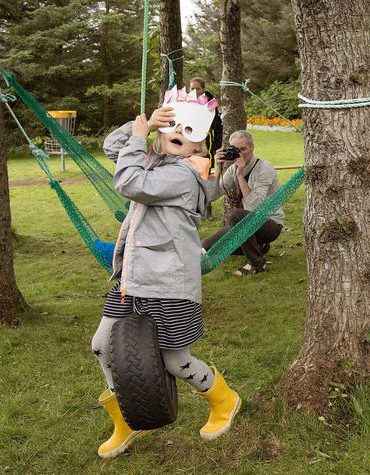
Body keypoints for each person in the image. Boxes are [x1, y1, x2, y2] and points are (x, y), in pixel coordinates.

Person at [91, 87, 240, 459]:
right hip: (132, 279)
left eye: (190, 132)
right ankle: (127, 417)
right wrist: (141, 126)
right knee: (101, 346)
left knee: (176, 360)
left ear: (200, 147)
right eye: (172, 124)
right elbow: (114, 147)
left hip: (170, 284)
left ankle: (224, 400)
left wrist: (142, 140)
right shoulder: (155, 160)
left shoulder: (183, 177)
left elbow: (129, 182)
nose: (179, 132)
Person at [201, 130, 283, 276]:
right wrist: (218, 170)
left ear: (252, 147)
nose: (239, 153)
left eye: (243, 149)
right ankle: (259, 246)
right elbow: (212, 196)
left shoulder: (264, 168)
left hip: (270, 223)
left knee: (234, 215)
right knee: (205, 247)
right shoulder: (232, 168)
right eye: (235, 149)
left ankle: (256, 263)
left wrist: (240, 176)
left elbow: (255, 207)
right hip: (246, 224)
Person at [190, 76, 224, 220]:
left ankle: (207, 205)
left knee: (206, 174)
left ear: (203, 89)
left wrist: (216, 146)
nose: (195, 91)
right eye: (192, 88)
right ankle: (194, 207)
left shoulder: (211, 104)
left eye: (197, 88)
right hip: (190, 144)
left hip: (206, 144)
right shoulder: (188, 102)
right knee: (192, 174)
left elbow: (218, 126)